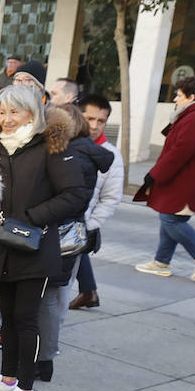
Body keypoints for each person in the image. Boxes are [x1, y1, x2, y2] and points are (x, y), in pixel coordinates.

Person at [0, 84, 89, 391]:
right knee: (7, 316)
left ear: (32, 112)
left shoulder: (50, 146)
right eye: (2, 112)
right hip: (2, 244)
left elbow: (75, 194)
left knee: (25, 318)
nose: (7, 119)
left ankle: (26, 389)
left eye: (15, 111)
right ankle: (7, 379)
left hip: (34, 246)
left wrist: (33, 218)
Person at [34, 104, 113, 382]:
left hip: (59, 235)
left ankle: (43, 359)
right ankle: (44, 357)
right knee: (54, 298)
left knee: (49, 301)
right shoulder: (84, 151)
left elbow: (66, 198)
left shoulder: (71, 154)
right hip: (71, 235)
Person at [135, 76, 195, 282]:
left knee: (170, 218)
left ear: (191, 97)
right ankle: (161, 262)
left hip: (192, 179)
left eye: (179, 95)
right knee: (172, 217)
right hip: (191, 177)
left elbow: (179, 152)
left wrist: (154, 175)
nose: (175, 99)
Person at [70, 93, 124, 309]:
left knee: (60, 293)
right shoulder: (63, 144)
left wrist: (90, 225)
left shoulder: (111, 155)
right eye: (89, 119)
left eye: (101, 121)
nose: (94, 126)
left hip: (78, 233)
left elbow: (111, 198)